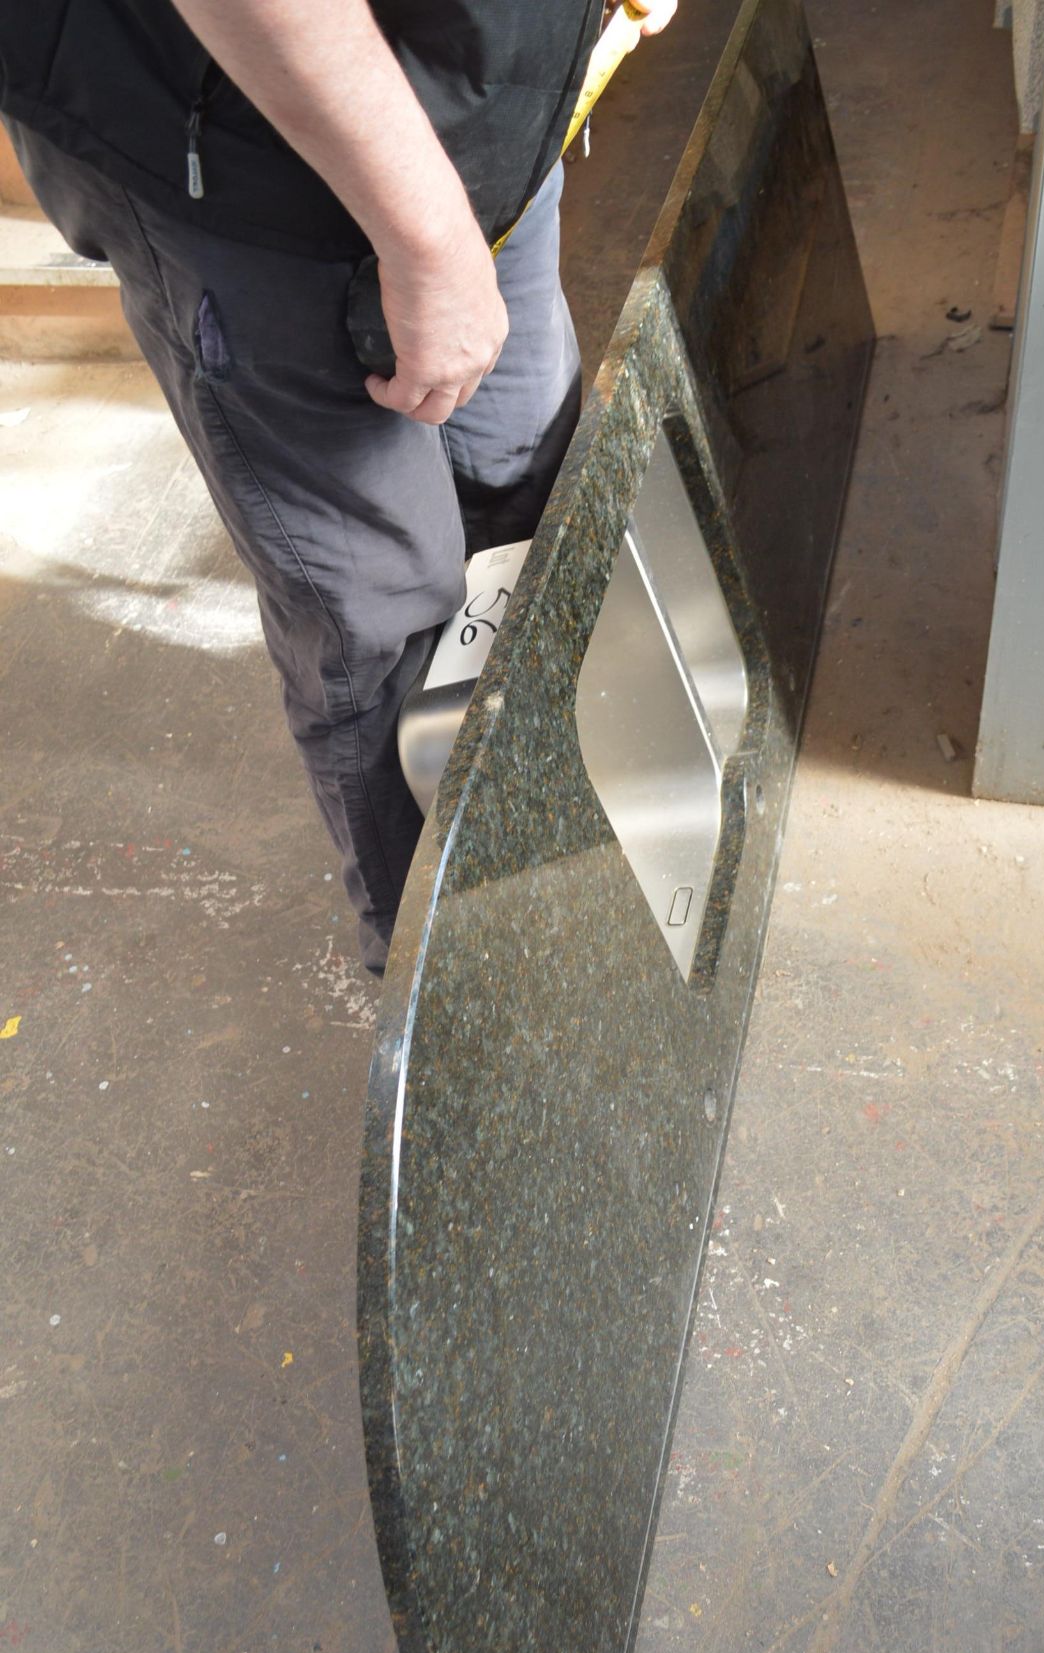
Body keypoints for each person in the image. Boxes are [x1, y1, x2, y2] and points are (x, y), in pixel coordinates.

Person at [0, 0, 676, 974]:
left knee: (534, 505)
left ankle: (540, 882)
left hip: (480, 105)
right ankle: (443, 985)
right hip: (251, 167)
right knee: (381, 618)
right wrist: (428, 244)